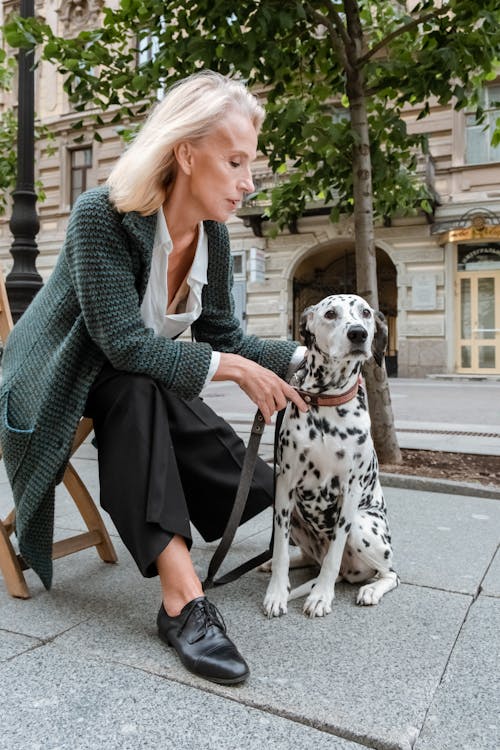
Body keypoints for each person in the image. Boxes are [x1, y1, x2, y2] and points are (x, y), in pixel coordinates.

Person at [0, 71, 307, 686]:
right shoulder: (102, 215)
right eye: (235, 161)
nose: (249, 182)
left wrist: (312, 356)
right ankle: (182, 599)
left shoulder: (213, 237)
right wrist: (229, 368)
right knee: (142, 386)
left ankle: (289, 517)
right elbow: (119, 342)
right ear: (186, 153)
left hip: (127, 378)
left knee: (149, 386)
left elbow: (225, 337)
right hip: (52, 376)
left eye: (251, 163)